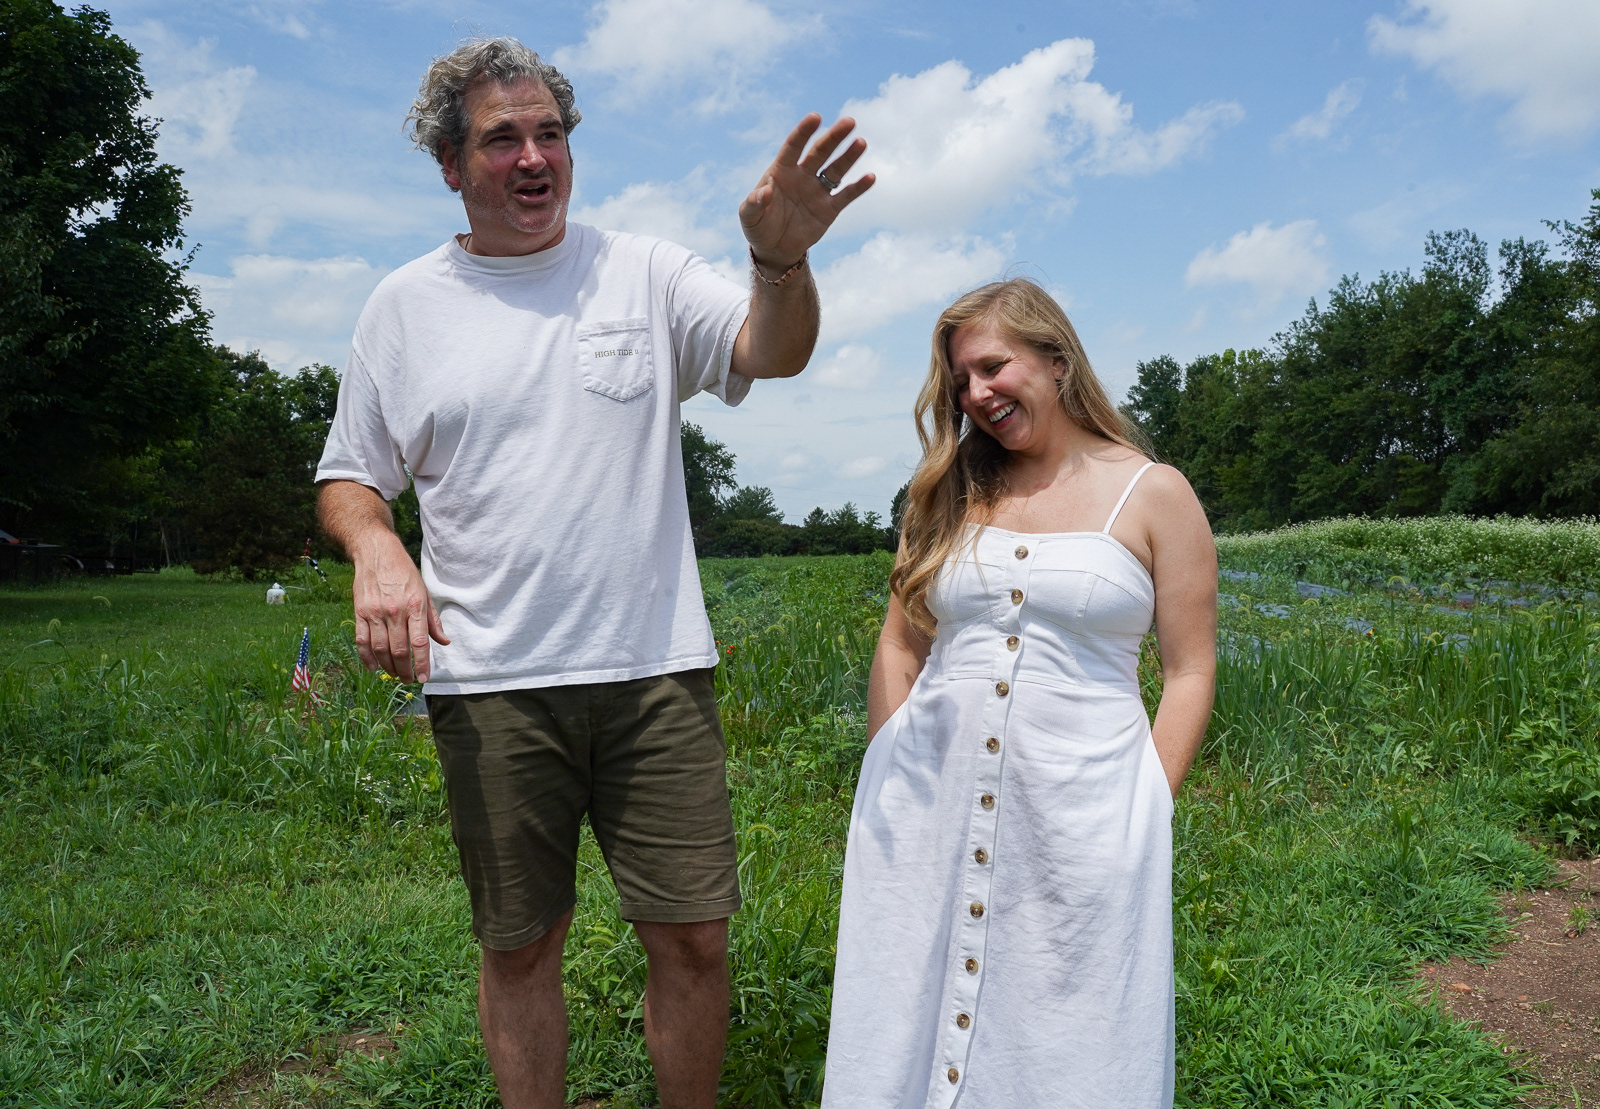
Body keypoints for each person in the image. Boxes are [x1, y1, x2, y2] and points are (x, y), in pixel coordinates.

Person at [313, 37, 872, 1109]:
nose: (533, 158)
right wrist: (377, 546)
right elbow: (350, 475)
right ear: (448, 165)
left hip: (654, 670)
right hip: (488, 680)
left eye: (551, 134)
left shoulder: (645, 270)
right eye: (501, 138)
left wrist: (781, 261)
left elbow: (771, 348)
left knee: (694, 935)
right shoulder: (402, 306)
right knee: (520, 944)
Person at [822, 279, 1216, 1108]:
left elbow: (1190, 669)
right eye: (962, 380)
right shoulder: (950, 492)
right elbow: (901, 641)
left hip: (1082, 816)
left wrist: (1147, 802)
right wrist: (890, 763)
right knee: (905, 1020)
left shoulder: (1154, 493)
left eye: (994, 366)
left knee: (1066, 1037)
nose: (977, 394)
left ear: (1057, 357)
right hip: (926, 812)